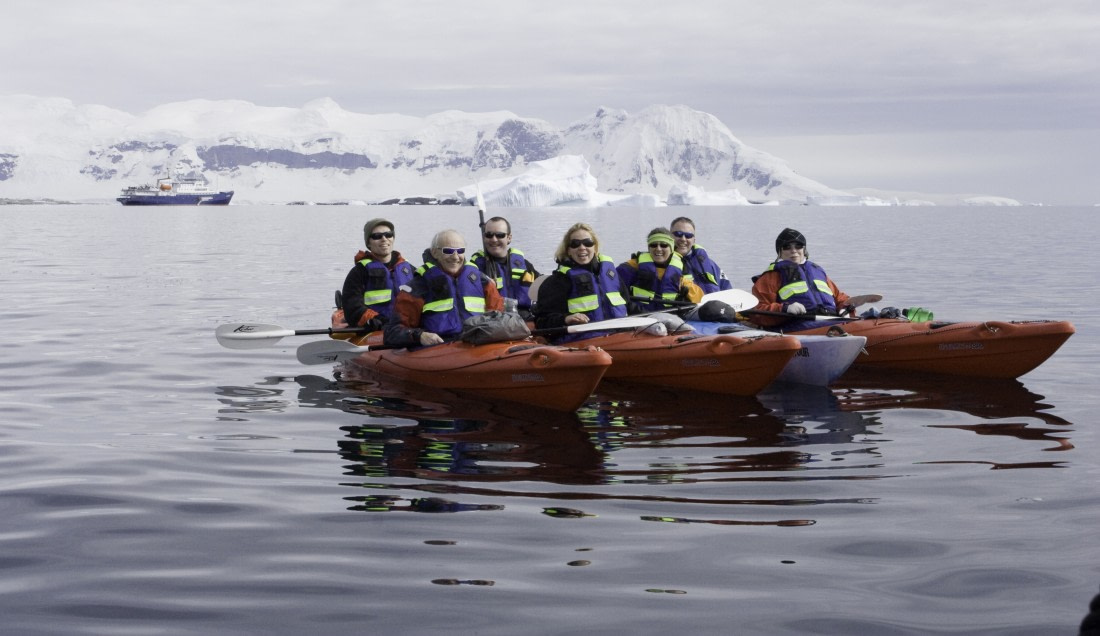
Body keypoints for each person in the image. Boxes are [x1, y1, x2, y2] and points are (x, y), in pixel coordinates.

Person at [384, 229, 504, 347]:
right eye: (448, 251)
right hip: (439, 351)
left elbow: (499, 317)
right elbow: (392, 333)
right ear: (435, 253)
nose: (456, 257)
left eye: (460, 251)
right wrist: (420, 336)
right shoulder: (418, 286)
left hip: (479, 346)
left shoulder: (483, 282)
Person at [533, 223, 628, 342]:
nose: (582, 247)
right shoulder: (558, 281)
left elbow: (629, 305)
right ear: (568, 250)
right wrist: (566, 319)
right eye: (575, 244)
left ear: (595, 247)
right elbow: (542, 321)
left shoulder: (611, 275)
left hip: (619, 336)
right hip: (581, 343)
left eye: (587, 243)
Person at [750, 227, 851, 328]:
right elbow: (757, 311)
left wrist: (845, 308)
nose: (793, 251)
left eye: (798, 246)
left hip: (832, 320)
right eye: (787, 247)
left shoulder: (818, 271)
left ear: (804, 250)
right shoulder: (771, 276)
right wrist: (784, 308)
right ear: (779, 253)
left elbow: (840, 298)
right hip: (797, 326)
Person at [332, 218, 416, 332]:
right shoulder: (359, 272)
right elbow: (353, 308)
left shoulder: (410, 269)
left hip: (408, 329)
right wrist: (375, 320)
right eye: (377, 236)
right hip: (376, 331)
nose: (384, 239)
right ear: (368, 243)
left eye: (388, 235)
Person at [616, 227, 704, 313]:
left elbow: (700, 298)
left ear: (671, 248)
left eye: (664, 245)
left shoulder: (681, 270)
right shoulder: (631, 267)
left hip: (671, 318)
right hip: (639, 318)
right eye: (653, 245)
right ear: (648, 248)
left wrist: (685, 299)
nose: (658, 249)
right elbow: (612, 289)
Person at [469, 216, 540, 319]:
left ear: (509, 238)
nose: (494, 239)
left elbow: (545, 287)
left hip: (524, 319)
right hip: (492, 322)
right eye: (489, 235)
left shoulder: (524, 265)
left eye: (500, 235)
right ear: (484, 237)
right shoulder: (474, 268)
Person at [670, 216, 732, 293]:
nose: (683, 239)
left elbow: (727, 290)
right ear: (669, 236)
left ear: (694, 240)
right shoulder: (658, 263)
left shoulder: (709, 264)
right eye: (678, 234)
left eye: (688, 235)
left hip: (711, 304)